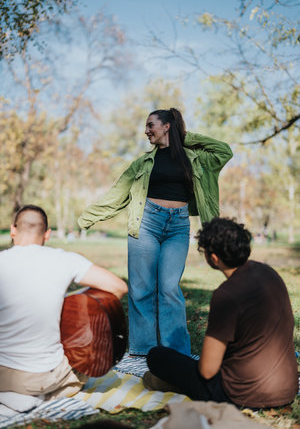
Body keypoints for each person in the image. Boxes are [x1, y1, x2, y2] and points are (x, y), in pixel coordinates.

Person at [78, 108, 233, 356]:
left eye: (151, 125)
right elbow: (117, 194)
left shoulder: (195, 158)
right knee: (142, 288)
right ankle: (143, 351)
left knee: (169, 288)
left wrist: (185, 137)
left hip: (178, 225)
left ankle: (176, 352)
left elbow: (224, 151)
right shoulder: (143, 162)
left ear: (167, 126)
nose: (146, 130)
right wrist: (87, 218)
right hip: (146, 223)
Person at [143, 218, 298, 409]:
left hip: (241, 395)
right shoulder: (269, 273)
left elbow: (208, 371)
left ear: (214, 258)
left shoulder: (227, 294)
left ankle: (165, 384)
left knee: (157, 356)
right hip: (287, 389)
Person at [0, 205, 128, 405]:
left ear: (13, 230)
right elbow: (118, 287)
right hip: (40, 376)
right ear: (47, 234)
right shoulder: (64, 259)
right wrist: (69, 304)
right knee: (82, 369)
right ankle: (42, 394)